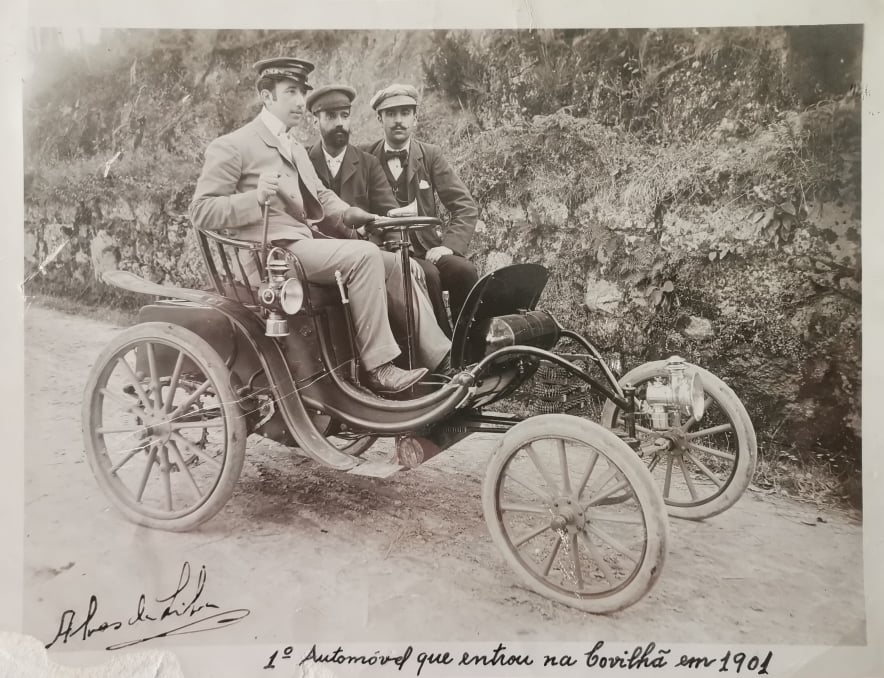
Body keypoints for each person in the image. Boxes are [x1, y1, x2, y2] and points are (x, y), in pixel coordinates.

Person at [190, 57, 449, 393]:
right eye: (291, 92)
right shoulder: (234, 145)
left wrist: (355, 214)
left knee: (401, 264)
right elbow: (201, 211)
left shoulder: (294, 147)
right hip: (269, 258)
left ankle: (440, 360)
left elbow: (322, 197)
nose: (300, 101)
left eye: (302, 92)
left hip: (301, 250)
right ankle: (379, 368)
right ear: (267, 97)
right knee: (365, 256)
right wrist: (254, 199)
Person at [363, 84, 479, 335]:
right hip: (386, 252)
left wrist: (447, 246)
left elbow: (464, 206)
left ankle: (470, 346)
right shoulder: (365, 158)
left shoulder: (430, 155)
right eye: (391, 114)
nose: (398, 121)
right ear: (379, 118)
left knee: (464, 271)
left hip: (427, 249)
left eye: (405, 113)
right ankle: (443, 353)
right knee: (429, 276)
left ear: (415, 118)